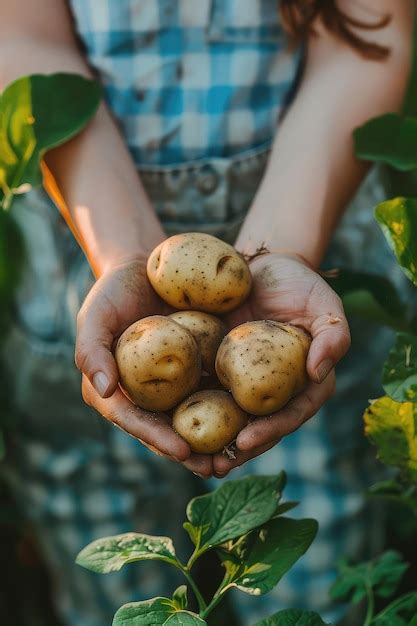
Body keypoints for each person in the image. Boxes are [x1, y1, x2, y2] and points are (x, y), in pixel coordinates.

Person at [0, 1, 413, 624]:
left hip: (314, 237)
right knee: (113, 580)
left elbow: (367, 35)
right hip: (79, 247)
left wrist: (286, 247)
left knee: (323, 577)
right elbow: (25, 43)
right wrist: (124, 255)